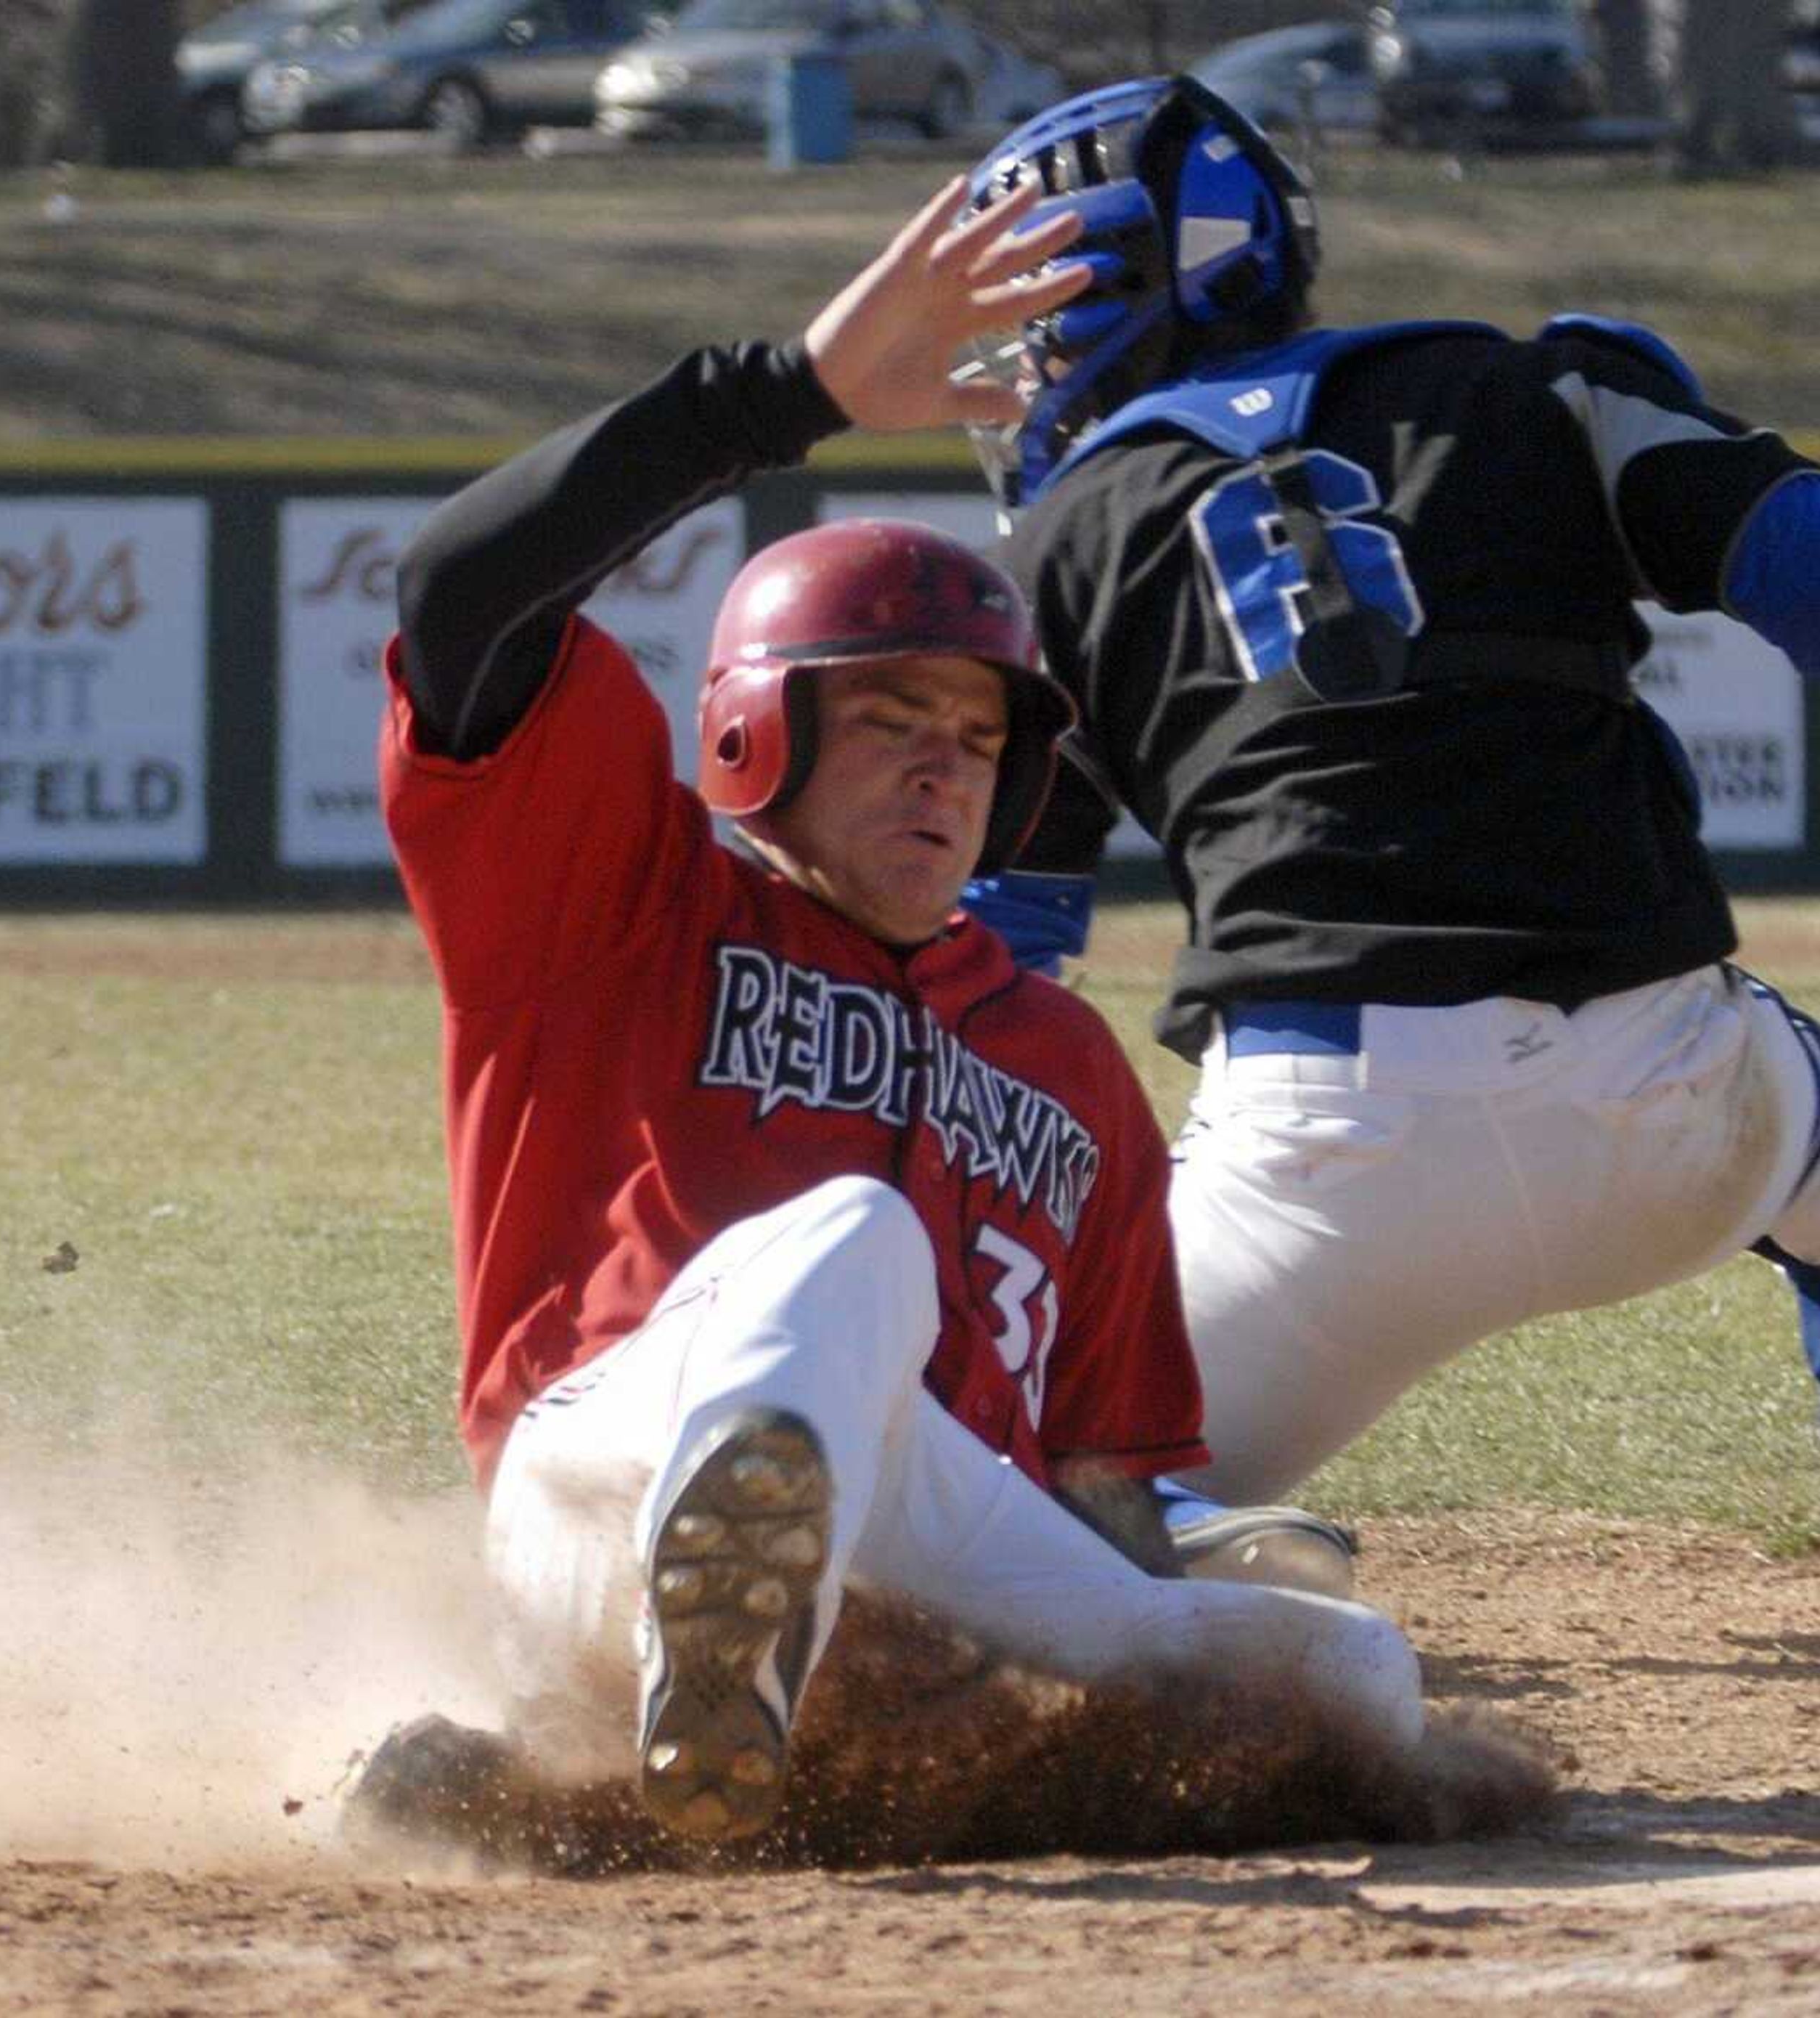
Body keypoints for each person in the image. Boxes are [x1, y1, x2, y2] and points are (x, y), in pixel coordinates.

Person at [951, 76, 1820, 1619]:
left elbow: (993, 950)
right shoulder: (1534, 389)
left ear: (1131, 292)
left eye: (1043, 315)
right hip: (1668, 1095)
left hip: (1327, 1149)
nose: (1030, 362)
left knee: (1044, 1510)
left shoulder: (1049, 555)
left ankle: (1188, 1560)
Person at [366, 174, 1425, 1850]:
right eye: (891, 717)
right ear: (752, 736)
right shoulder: (617, 903)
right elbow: (454, 595)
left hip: (926, 1545)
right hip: (607, 1475)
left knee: (1358, 1683)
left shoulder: (1069, 1066)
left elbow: (1099, 1492)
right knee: (855, 1241)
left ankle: (717, 1771)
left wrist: (1176, 1578)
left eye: (982, 737)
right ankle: (663, 1690)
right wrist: (781, 397)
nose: (947, 762)